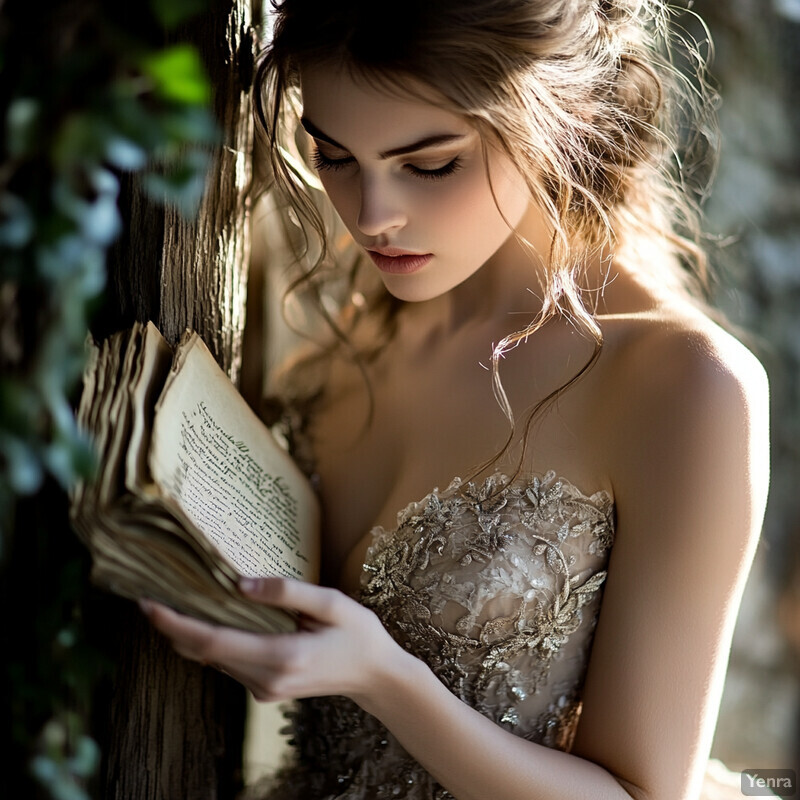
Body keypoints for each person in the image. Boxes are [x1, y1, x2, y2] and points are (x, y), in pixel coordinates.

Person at [140, 1, 771, 798]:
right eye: (333, 155)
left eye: (431, 164)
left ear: (556, 115)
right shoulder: (335, 325)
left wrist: (385, 681)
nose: (373, 218)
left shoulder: (685, 387)